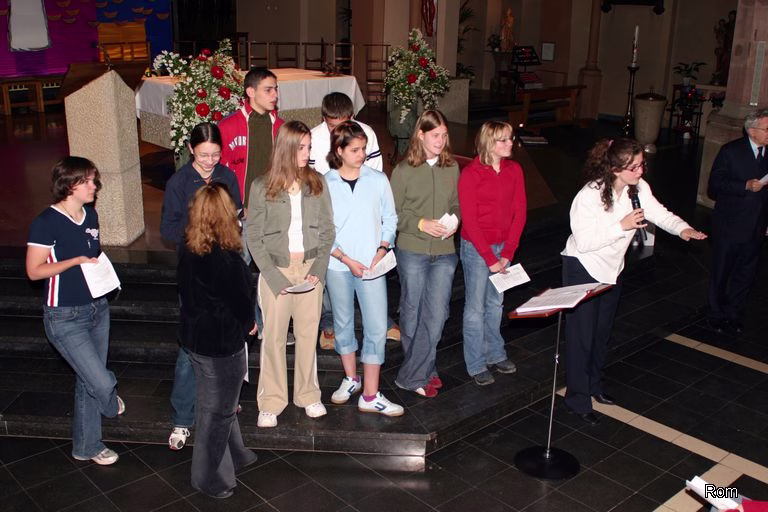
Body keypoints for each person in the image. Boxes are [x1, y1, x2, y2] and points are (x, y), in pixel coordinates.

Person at [562, 138, 706, 425]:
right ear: (616, 168)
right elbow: (586, 242)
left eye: (642, 165)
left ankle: (594, 386)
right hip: (583, 267)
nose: (641, 171)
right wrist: (622, 225)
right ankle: (577, 399)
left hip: (612, 269)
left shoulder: (638, 188)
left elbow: (659, 213)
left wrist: (683, 229)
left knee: (601, 332)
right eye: (635, 167)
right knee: (582, 337)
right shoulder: (589, 195)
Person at [26, 156, 125, 465]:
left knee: (87, 380)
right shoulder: (46, 222)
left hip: (97, 308)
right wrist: (75, 262)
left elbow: (93, 255)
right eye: (89, 181)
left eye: (94, 180)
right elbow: (34, 271)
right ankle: (109, 396)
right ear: (70, 185)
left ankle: (88, 447)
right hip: (64, 316)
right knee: (101, 382)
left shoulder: (91, 215)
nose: (95, 186)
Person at [245, 120, 334, 428]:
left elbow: (328, 230)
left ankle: (308, 395)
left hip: (310, 269)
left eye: (309, 147)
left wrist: (318, 269)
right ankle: (271, 402)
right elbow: (253, 236)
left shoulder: (317, 183)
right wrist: (272, 276)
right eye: (301, 148)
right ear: (285, 148)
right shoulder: (262, 186)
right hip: (276, 269)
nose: (307, 153)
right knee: (274, 339)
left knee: (308, 336)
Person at [160, 122, 243, 451]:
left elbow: (236, 215)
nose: (210, 161)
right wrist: (200, 229)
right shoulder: (179, 182)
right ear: (190, 150)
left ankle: (225, 404)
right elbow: (167, 229)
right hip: (194, 270)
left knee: (226, 342)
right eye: (203, 155)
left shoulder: (227, 176)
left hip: (224, 265)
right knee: (190, 347)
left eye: (215, 154)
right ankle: (182, 417)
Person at [177, 183, 258, 499]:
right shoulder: (226, 259)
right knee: (219, 411)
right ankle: (208, 478)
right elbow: (241, 302)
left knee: (215, 402)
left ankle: (237, 455)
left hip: (195, 340)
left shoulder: (188, 248)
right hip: (222, 345)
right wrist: (250, 324)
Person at [308, 92, 400, 348]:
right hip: (330, 214)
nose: (338, 130)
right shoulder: (314, 138)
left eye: (344, 123)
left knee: (370, 276)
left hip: (361, 211)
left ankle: (381, 320)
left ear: (352, 117)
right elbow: (312, 179)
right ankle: (330, 323)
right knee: (333, 279)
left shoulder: (366, 133)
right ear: (323, 119)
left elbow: (375, 175)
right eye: (332, 126)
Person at [325, 121, 403, 416]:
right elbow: (322, 228)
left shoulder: (378, 179)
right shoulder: (325, 183)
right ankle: (351, 378)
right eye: (355, 150)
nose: (362, 154)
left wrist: (382, 249)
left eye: (363, 149)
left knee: (376, 326)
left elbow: (390, 218)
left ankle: (370, 395)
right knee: (342, 322)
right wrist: (345, 258)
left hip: (372, 265)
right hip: (338, 264)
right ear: (339, 151)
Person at [390, 110, 460, 398]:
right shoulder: (403, 170)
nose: (441, 141)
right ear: (420, 134)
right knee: (411, 313)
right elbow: (392, 214)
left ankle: (412, 375)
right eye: (435, 135)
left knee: (438, 314)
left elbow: (456, 204)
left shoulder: (451, 167)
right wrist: (420, 223)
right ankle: (425, 370)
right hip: (412, 250)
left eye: (444, 135)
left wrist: (455, 220)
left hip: (444, 251)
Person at [458, 121, 525, 386]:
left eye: (510, 138)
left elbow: (520, 212)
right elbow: (470, 222)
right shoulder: (471, 174)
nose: (510, 143)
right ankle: (475, 363)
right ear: (489, 143)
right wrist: (490, 258)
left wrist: (508, 252)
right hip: (477, 248)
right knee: (475, 308)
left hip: (502, 247)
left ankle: (495, 353)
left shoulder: (514, 170)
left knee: (495, 304)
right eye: (503, 140)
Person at [707, 108, 768, 335]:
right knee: (722, 272)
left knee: (746, 274)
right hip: (730, 225)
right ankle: (716, 314)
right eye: (767, 129)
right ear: (752, 131)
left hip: (756, 226)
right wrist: (744, 185)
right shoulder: (731, 151)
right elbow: (714, 186)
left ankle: (734, 314)